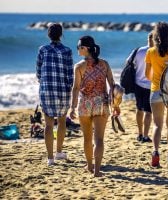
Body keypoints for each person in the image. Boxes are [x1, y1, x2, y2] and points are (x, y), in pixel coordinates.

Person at [70, 35, 117, 177]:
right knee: (99, 139)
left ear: (86, 48)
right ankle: (96, 170)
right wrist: (115, 104)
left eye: (79, 47)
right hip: (101, 103)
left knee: (87, 139)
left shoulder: (79, 66)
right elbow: (112, 85)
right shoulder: (105, 64)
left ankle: (89, 166)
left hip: (85, 103)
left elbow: (76, 88)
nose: (77, 49)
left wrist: (72, 107)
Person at [36, 23, 73, 166]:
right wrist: (70, 87)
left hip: (47, 90)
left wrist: (43, 82)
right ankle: (59, 152)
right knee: (62, 121)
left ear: (48, 34)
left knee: (48, 124)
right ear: (61, 34)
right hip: (63, 90)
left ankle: (50, 158)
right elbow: (70, 74)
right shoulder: (67, 51)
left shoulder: (42, 49)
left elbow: (38, 71)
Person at [145, 22, 168, 167]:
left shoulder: (151, 52)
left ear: (156, 35)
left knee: (157, 124)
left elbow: (146, 74)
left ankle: (155, 152)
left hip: (156, 90)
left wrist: (155, 79)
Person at [126, 32, 154, 143]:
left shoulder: (138, 50)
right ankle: (146, 136)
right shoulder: (157, 52)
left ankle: (140, 134)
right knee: (148, 111)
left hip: (138, 84)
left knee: (139, 109)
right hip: (151, 85)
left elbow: (128, 62)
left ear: (147, 38)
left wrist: (138, 68)